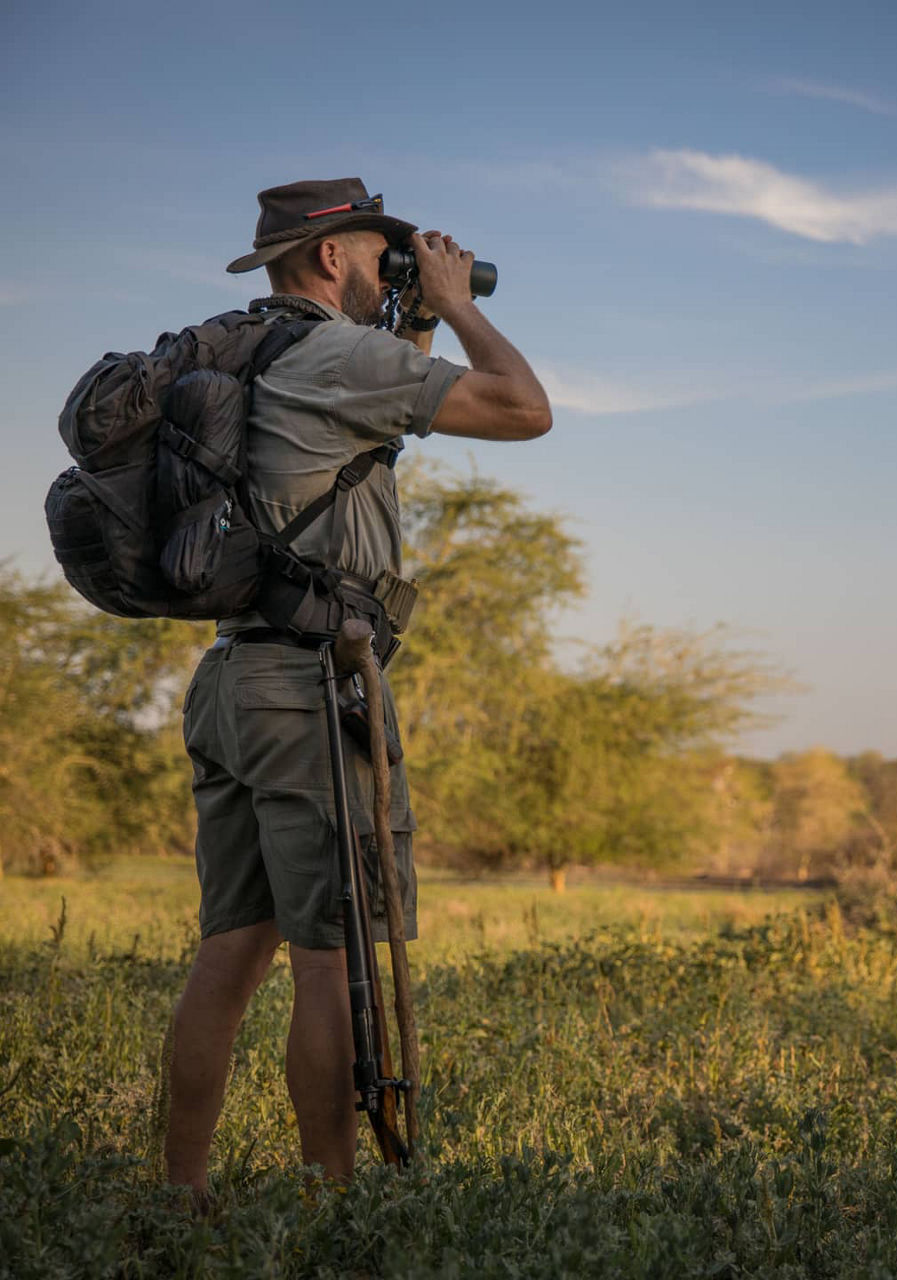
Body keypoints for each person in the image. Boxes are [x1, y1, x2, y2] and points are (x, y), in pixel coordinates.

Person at [164, 178, 551, 1192]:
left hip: (230, 675)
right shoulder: (333, 353)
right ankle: (335, 1204)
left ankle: (179, 1193)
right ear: (332, 256)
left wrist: (413, 322)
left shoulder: (262, 350)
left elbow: (377, 428)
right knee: (331, 955)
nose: (398, 271)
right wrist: (460, 302)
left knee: (232, 950)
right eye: (386, 255)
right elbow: (523, 409)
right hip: (307, 687)